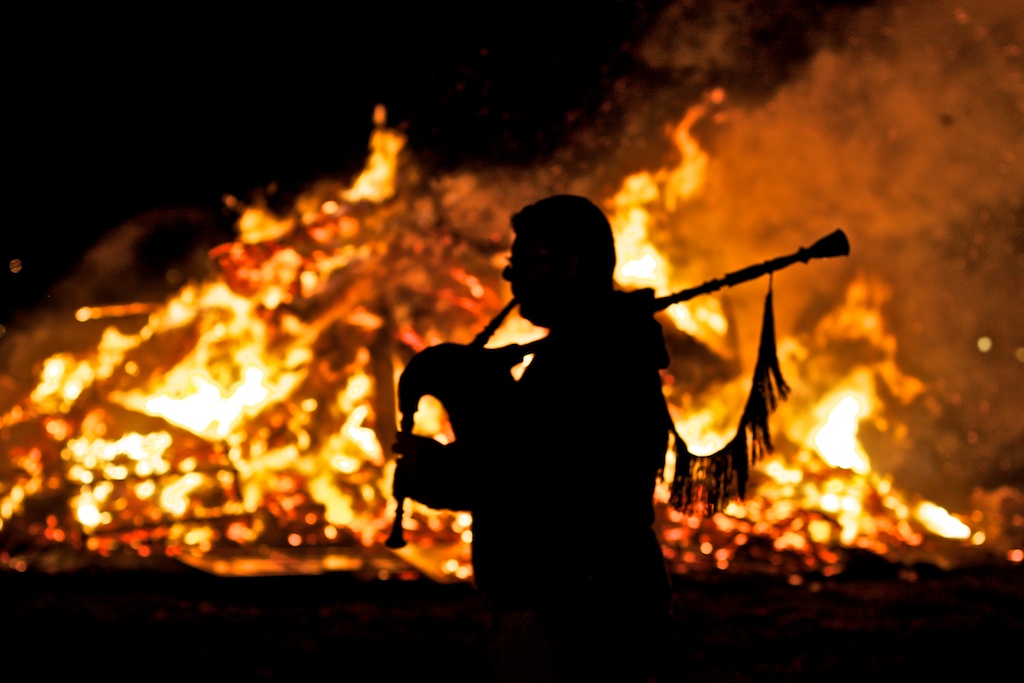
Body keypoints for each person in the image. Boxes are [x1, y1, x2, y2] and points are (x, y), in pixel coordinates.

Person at [393, 194, 673, 682]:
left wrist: (429, 466)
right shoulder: (597, 350)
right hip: (594, 599)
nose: (510, 276)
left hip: (569, 610)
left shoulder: (586, 362)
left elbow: (520, 476)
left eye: (524, 261)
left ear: (570, 265)